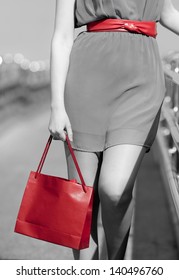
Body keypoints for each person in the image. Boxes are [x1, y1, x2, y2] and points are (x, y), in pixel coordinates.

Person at [48, 0, 179, 260]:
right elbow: (62, 38)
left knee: (115, 189)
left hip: (142, 80)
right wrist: (56, 106)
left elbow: (167, 13)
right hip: (87, 79)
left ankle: (115, 267)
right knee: (80, 199)